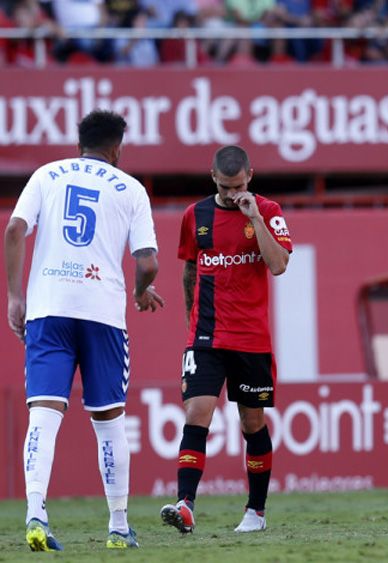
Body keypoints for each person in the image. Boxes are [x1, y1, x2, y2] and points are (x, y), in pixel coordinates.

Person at [5, 109, 162, 551]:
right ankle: (117, 526)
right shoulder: (130, 189)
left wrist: (16, 297)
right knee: (109, 419)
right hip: (102, 314)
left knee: (44, 413)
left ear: (80, 145)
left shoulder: (47, 175)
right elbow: (148, 261)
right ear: (117, 149)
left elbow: (15, 229)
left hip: (49, 309)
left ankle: (36, 513)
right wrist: (140, 290)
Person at [160, 145, 292, 535]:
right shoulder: (195, 215)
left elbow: (279, 264)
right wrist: (190, 320)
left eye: (239, 186)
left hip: (251, 338)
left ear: (250, 174)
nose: (234, 194)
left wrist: (255, 218)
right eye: (226, 186)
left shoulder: (269, 212)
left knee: (252, 423)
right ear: (212, 177)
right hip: (206, 336)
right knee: (197, 412)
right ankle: (185, 505)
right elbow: (189, 268)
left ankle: (256, 511)